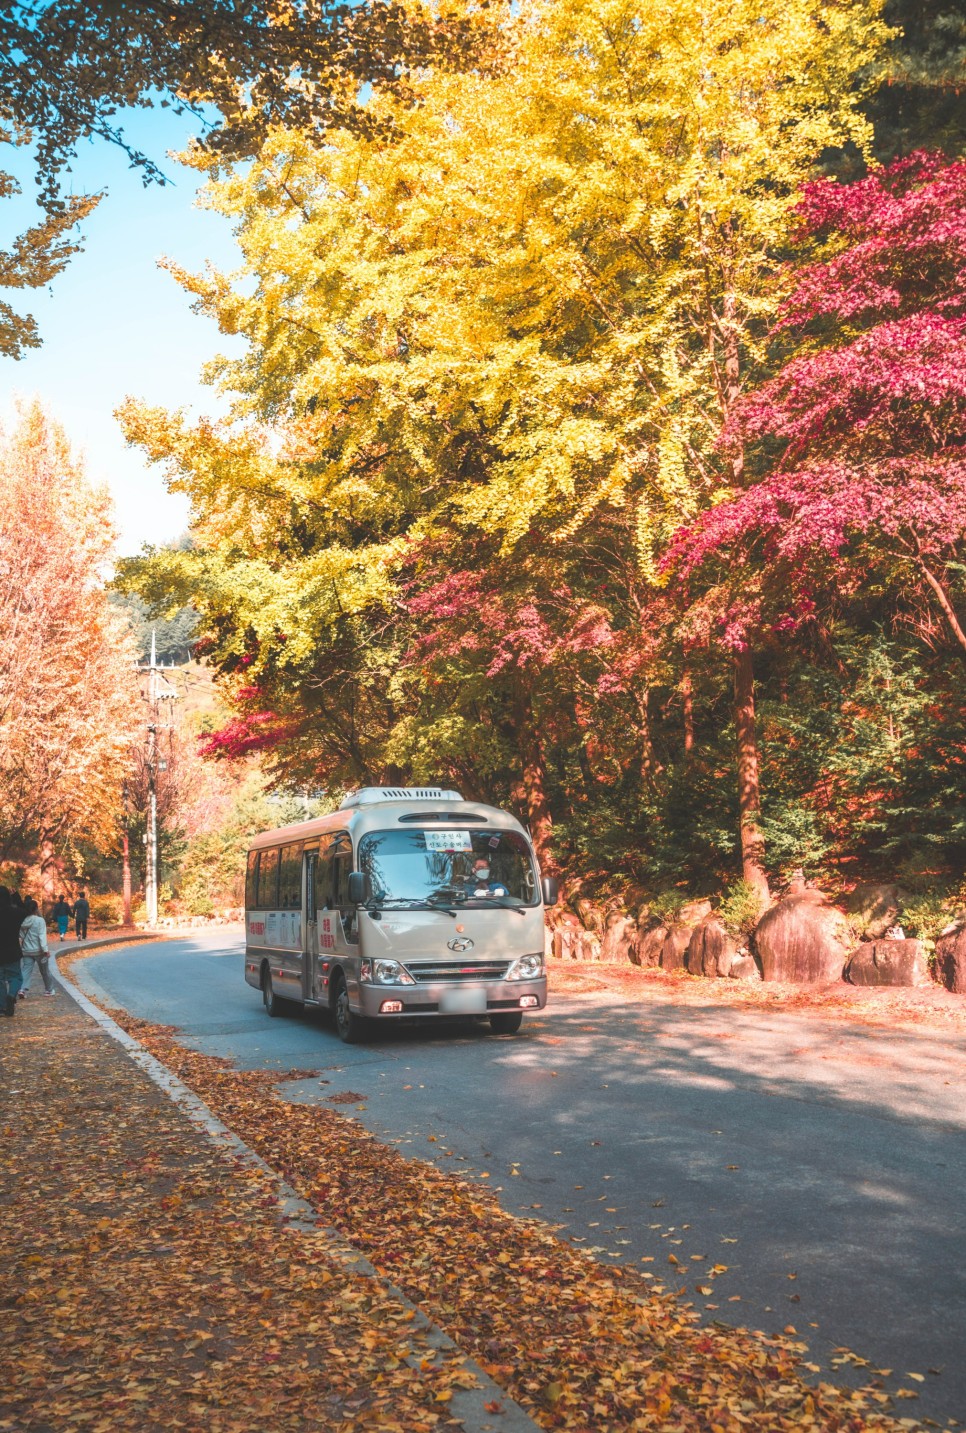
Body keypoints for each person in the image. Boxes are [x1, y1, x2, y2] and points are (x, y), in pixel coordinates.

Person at [19, 898, 54, 997]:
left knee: (26, 970)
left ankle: (22, 989)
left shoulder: (22, 921)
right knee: (45, 971)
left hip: (26, 950)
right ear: (36, 909)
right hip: (39, 950)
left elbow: (20, 937)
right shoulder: (40, 920)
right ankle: (49, 990)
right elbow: (41, 936)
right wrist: (45, 950)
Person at [0, 886, 24, 1016]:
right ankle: (11, 996)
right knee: (16, 977)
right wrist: (16, 897)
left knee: (0, 980)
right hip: (12, 951)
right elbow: (25, 910)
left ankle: (2, 1006)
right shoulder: (15, 913)